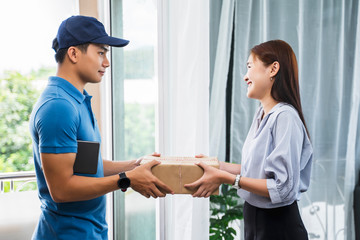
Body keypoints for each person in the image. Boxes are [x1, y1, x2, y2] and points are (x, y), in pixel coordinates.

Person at [29, 15, 173, 240]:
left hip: (90, 233)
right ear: (74, 53)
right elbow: (61, 189)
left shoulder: (77, 101)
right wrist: (127, 179)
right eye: (101, 52)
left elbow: (86, 167)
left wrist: (135, 165)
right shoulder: (58, 106)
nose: (106, 62)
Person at [185, 40, 313, 240]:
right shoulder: (262, 114)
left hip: (278, 226)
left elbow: (282, 188)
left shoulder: (285, 117)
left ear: (273, 69)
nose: (245, 76)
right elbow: (256, 172)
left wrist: (226, 178)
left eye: (250, 67)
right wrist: (218, 166)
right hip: (254, 219)